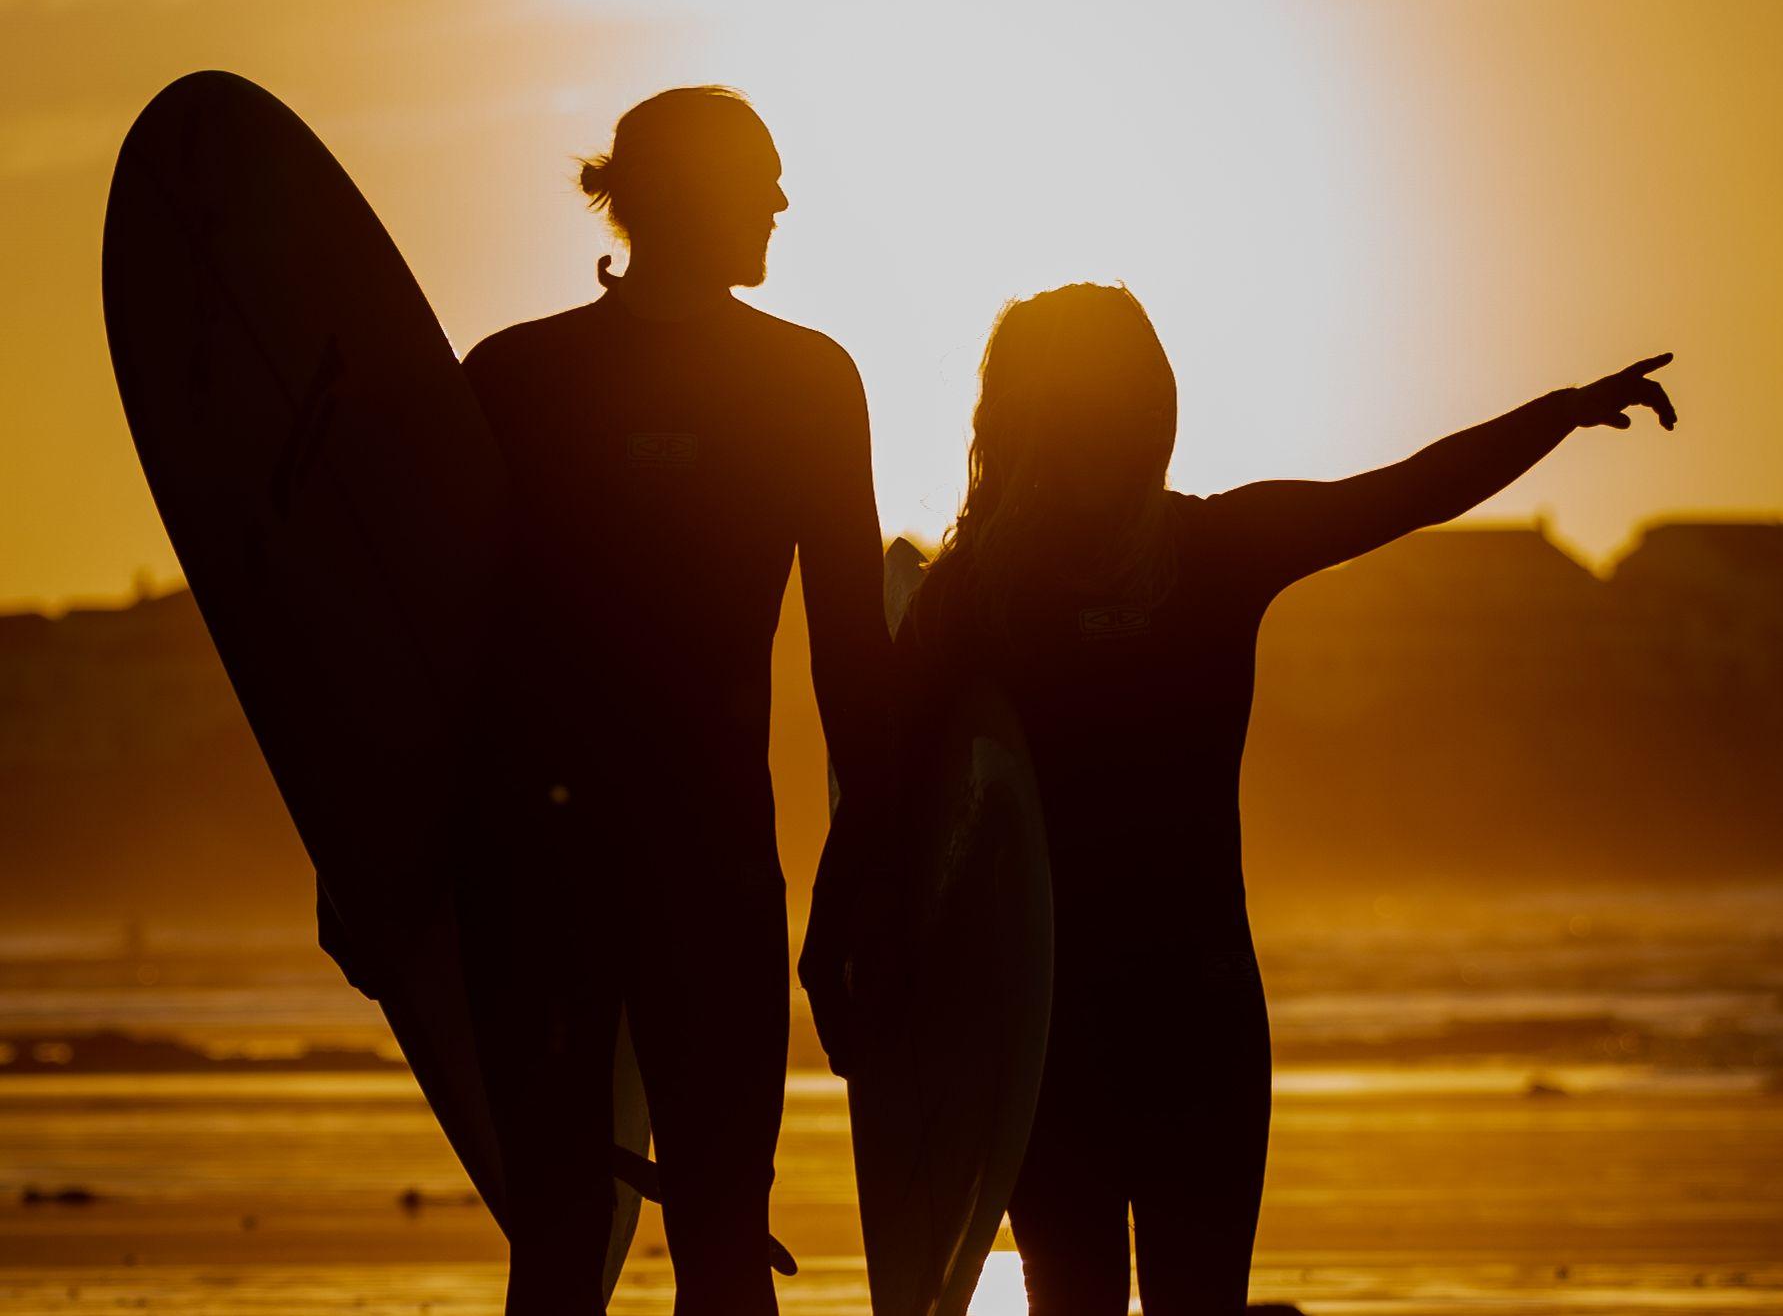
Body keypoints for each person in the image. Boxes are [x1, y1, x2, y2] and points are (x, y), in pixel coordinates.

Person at [896, 283, 1675, 1315]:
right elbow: (895, 803)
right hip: (1067, 1033)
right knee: (1075, 1298)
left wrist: (1559, 411)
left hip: (1172, 1026)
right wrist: (862, 964)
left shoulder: (1192, 552)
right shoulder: (980, 597)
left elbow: (1405, 491)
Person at [455, 86, 893, 1316]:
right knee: (559, 1228)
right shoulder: (514, 380)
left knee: (712, 1230)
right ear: (694, 194)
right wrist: (373, 862)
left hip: (676, 870)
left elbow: (848, 658)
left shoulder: (805, 382)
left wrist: (855, 886)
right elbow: (440, 635)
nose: (781, 199)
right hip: (572, 872)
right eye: (761, 175)